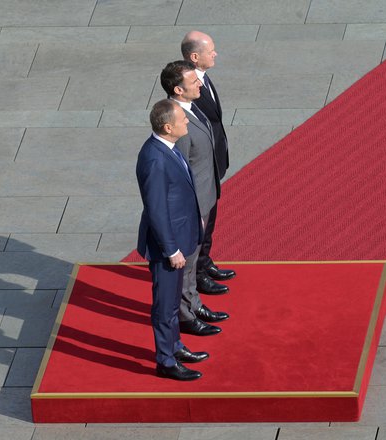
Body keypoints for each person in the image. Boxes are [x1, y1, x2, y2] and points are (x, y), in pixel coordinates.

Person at [136, 99, 208, 381]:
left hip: (179, 237)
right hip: (168, 248)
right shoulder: (154, 158)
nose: (187, 122)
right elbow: (156, 209)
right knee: (165, 306)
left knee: (172, 302)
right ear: (168, 127)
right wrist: (171, 249)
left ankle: (175, 346)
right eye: (182, 119)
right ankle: (165, 360)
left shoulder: (167, 148)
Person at [160, 60, 229, 338]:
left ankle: (193, 304)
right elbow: (178, 173)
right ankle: (186, 316)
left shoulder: (191, 108)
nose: (200, 83)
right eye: (193, 82)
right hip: (192, 206)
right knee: (186, 264)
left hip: (204, 196)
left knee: (194, 259)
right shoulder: (175, 122)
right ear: (178, 89)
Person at [181, 31, 236, 294]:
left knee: (211, 217)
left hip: (214, 161)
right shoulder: (187, 85)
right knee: (202, 219)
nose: (215, 54)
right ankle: (198, 273)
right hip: (202, 166)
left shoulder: (203, 77)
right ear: (194, 57)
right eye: (210, 50)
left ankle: (205, 261)